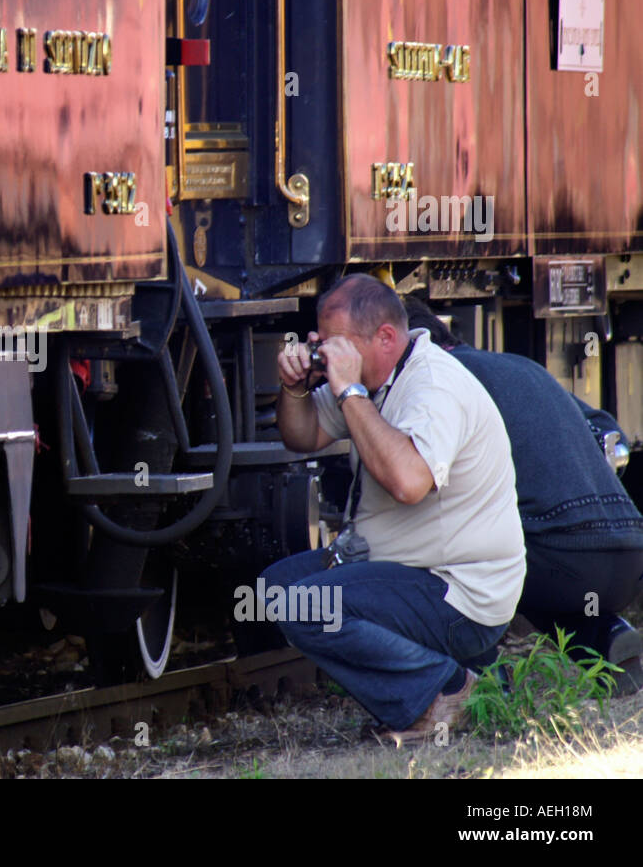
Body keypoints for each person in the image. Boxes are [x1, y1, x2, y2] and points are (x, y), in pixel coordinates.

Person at [259, 273, 526, 742]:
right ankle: (469, 677)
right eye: (321, 342)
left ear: (385, 337)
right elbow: (300, 436)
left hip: (460, 591)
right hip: (403, 569)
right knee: (277, 589)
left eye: (336, 344)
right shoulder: (373, 379)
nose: (327, 355)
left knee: (306, 604)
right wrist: (295, 386)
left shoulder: (432, 387)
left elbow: (408, 483)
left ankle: (441, 691)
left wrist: (349, 393)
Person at [403, 295, 643, 692]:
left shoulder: (438, 379)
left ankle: (478, 676)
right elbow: (605, 428)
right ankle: (605, 638)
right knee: (521, 537)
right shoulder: (519, 364)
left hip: (559, 554)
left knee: (445, 537)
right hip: (628, 551)